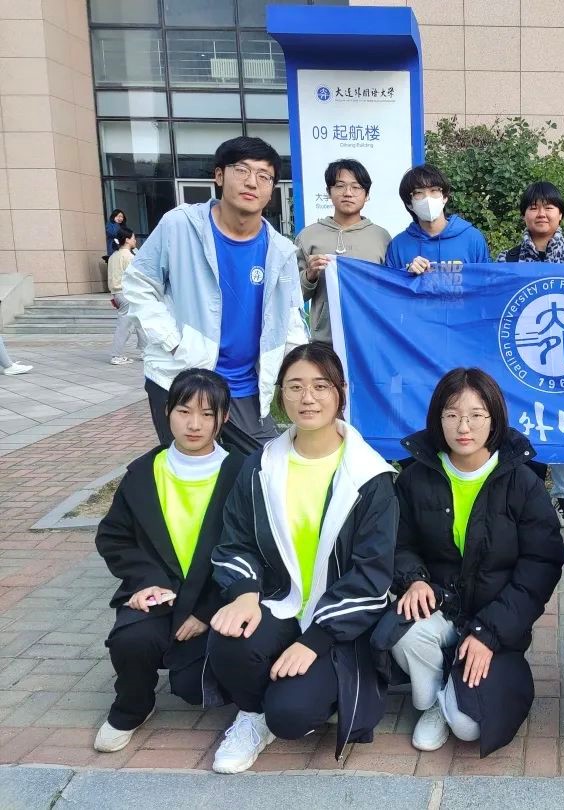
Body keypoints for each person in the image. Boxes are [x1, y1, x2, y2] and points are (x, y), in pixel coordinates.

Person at [205, 342, 398, 774]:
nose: (307, 397)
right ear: (280, 394)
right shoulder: (260, 467)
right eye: (295, 386)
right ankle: (251, 715)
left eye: (320, 386)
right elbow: (235, 540)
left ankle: (294, 700)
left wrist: (314, 640)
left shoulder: (369, 476)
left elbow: (372, 575)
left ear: (340, 392)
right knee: (228, 638)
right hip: (279, 602)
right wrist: (244, 593)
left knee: (291, 715)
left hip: (341, 624)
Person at [372, 367, 562, 755]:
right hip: (441, 609)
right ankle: (433, 700)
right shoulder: (415, 478)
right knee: (403, 631)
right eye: (452, 414)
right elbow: (397, 543)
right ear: (437, 418)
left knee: (469, 726)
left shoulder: (522, 483)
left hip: (496, 621)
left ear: (494, 419)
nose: (464, 426)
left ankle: (460, 696)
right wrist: (413, 579)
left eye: (476, 415)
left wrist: (489, 632)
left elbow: (540, 567)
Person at [92, 369, 244, 753]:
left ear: (224, 417)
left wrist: (207, 611)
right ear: (166, 412)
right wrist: (145, 581)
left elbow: (255, 548)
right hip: (161, 594)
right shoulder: (144, 472)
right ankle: (132, 707)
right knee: (131, 639)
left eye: (207, 414)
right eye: (184, 411)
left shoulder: (242, 472)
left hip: (218, 598)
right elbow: (113, 536)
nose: (194, 425)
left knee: (194, 686)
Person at [124, 136, 308, 453]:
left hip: (247, 389)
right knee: (191, 471)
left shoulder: (281, 250)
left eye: (264, 176)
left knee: (259, 468)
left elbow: (290, 321)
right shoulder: (180, 226)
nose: (252, 182)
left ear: (271, 189)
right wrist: (173, 341)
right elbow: (138, 284)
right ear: (220, 176)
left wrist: (303, 376)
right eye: (242, 170)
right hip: (182, 378)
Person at [497, 181, 564, 527]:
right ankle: (526, 497)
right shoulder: (507, 260)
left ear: (561, 215)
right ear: (524, 215)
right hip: (523, 362)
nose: (541, 213)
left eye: (549, 207)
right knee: (527, 424)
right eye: (533, 207)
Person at [295, 159, 391, 344]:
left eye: (356, 187)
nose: (348, 193)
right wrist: (310, 275)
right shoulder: (308, 236)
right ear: (328, 192)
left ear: (367, 195)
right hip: (325, 340)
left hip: (370, 339)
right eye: (340, 186)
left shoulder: (382, 237)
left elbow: (389, 291)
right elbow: (295, 295)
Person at [385, 164, 490, 273]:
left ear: (445, 197)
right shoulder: (398, 246)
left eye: (434, 190)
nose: (427, 198)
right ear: (409, 204)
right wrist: (406, 275)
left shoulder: (472, 239)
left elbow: (486, 279)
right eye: (418, 192)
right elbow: (389, 282)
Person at [107, 226, 147, 366]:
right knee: (125, 326)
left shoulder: (113, 256)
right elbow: (137, 276)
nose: (135, 240)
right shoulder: (129, 257)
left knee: (140, 323)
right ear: (127, 240)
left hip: (118, 294)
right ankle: (116, 355)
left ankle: (146, 352)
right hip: (127, 294)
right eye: (133, 238)